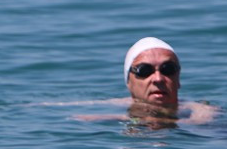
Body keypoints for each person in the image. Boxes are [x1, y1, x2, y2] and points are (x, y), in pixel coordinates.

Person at [65, 37, 218, 125]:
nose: (158, 78)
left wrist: (120, 118)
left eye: (168, 69)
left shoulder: (200, 109)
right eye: (145, 71)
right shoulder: (115, 104)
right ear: (128, 81)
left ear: (178, 78)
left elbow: (199, 125)